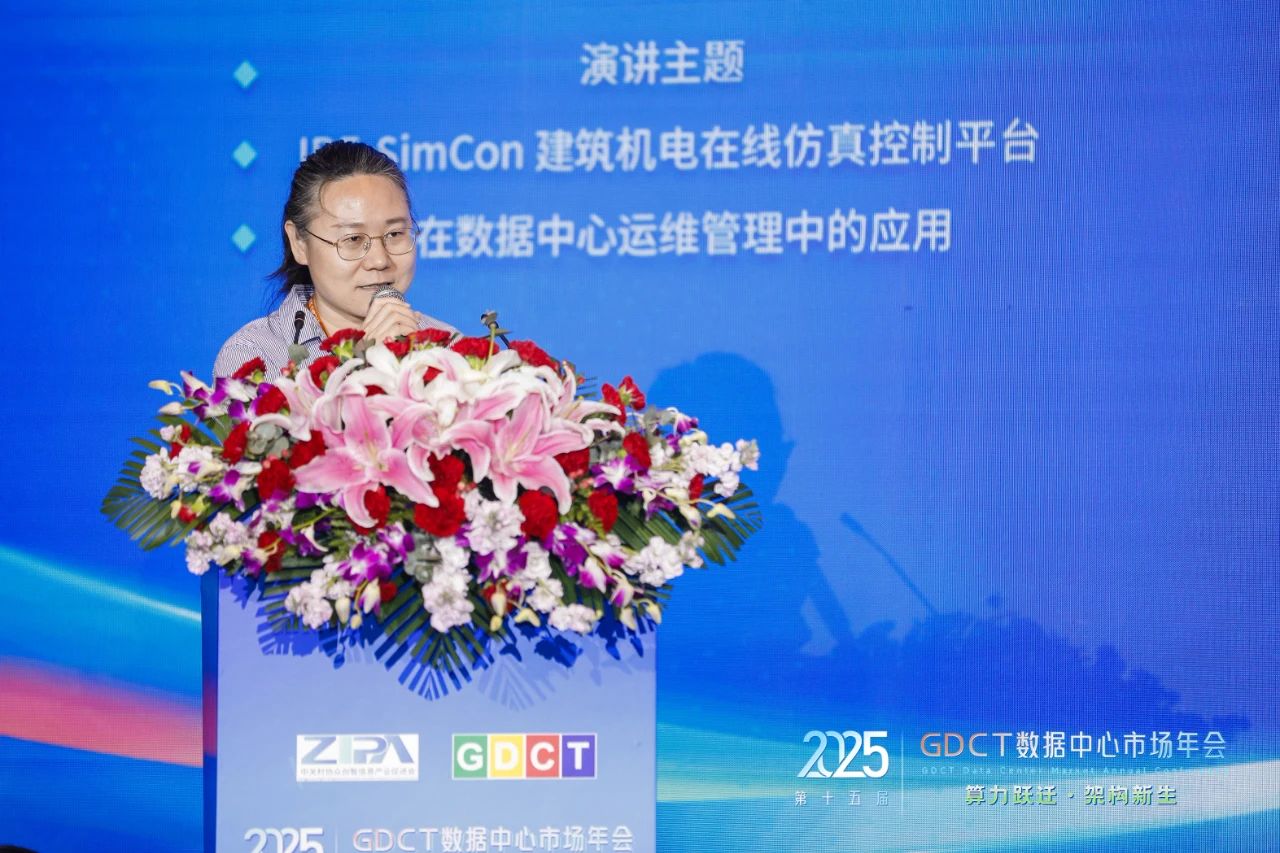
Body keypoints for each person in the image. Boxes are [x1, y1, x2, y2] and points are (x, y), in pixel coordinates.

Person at [214, 140, 457, 378]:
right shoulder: (255, 357)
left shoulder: (451, 349)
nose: (379, 260)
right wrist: (367, 366)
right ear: (299, 242)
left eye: (394, 234)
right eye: (353, 239)